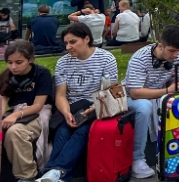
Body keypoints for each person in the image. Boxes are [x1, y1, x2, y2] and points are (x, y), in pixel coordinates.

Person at [36, 22, 119, 182]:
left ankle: (53, 171)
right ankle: (55, 174)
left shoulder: (106, 58)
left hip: (97, 106)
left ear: (87, 39)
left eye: (72, 42)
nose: (68, 47)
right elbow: (60, 95)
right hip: (72, 107)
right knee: (64, 130)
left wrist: (90, 110)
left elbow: (110, 92)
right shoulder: (63, 62)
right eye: (66, 43)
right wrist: (67, 114)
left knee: (83, 130)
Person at [123, 25, 179, 178]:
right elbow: (135, 93)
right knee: (144, 106)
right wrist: (167, 91)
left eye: (178, 51)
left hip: (160, 93)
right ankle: (137, 159)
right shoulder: (140, 58)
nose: (176, 55)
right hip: (131, 97)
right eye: (172, 51)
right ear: (161, 46)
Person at [0, 40, 54, 182]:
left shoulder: (42, 74)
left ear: (31, 59)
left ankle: (27, 176)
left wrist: (15, 115)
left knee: (15, 132)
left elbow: (38, 105)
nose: (13, 67)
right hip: (17, 111)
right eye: (9, 62)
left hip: (39, 112)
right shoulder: (7, 75)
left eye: (19, 62)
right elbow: (2, 100)